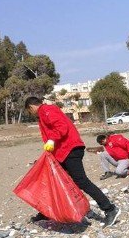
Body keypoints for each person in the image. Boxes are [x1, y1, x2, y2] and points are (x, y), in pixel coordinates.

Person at [24, 97, 121, 227]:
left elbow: (61, 127)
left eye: (29, 111)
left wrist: (52, 140)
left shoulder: (46, 110)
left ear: (31, 107)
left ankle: (110, 209)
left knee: (81, 181)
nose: (31, 114)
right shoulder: (44, 113)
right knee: (54, 181)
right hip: (63, 152)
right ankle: (46, 212)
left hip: (70, 150)